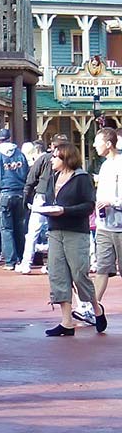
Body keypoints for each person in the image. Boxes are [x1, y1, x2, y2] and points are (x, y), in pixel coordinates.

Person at [40, 142, 102, 336]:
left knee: (78, 274)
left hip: (76, 231)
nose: (51, 160)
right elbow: (48, 200)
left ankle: (96, 308)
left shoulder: (82, 178)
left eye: (55, 157)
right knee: (58, 274)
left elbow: (88, 206)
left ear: (66, 158)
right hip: (55, 230)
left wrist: (65, 211)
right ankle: (66, 322)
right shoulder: (53, 177)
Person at [87, 127, 122, 332]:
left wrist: (113, 202)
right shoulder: (105, 166)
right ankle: (93, 307)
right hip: (104, 225)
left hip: (119, 225)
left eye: (97, 141)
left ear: (108, 144)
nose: (94, 145)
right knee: (101, 268)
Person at [0, 129, 30, 270]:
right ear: (10, 138)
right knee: (20, 227)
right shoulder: (20, 155)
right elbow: (27, 174)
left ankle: (10, 261)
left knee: (6, 228)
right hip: (20, 193)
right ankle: (22, 257)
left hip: (5, 193)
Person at [20, 137, 61, 274]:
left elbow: (31, 178)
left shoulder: (43, 159)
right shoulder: (66, 160)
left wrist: (26, 197)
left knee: (33, 231)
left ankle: (27, 262)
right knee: (53, 232)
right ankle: (51, 263)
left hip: (42, 195)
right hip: (56, 196)